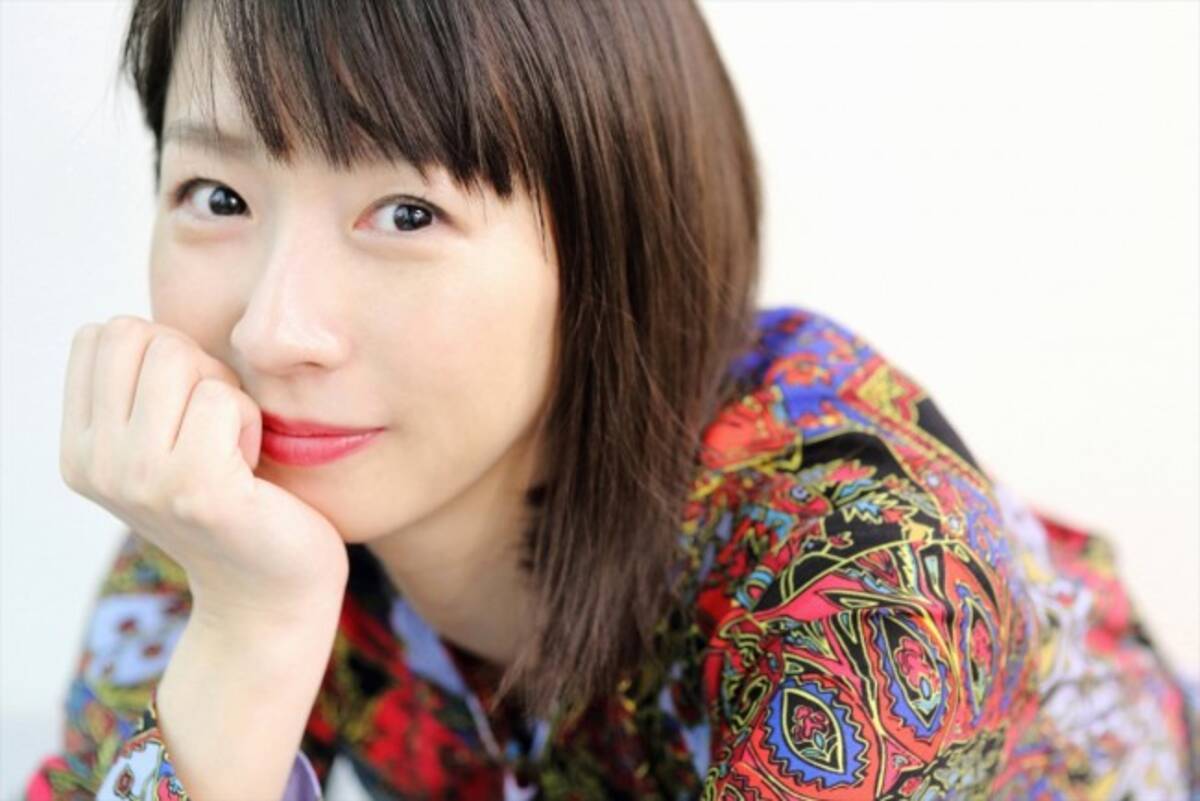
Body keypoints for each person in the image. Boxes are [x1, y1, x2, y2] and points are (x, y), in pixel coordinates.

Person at [23, 1, 1199, 799]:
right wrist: (249, 634)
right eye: (217, 196)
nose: (272, 332)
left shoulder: (858, 562)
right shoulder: (232, 528)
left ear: (610, 246)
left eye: (409, 213)